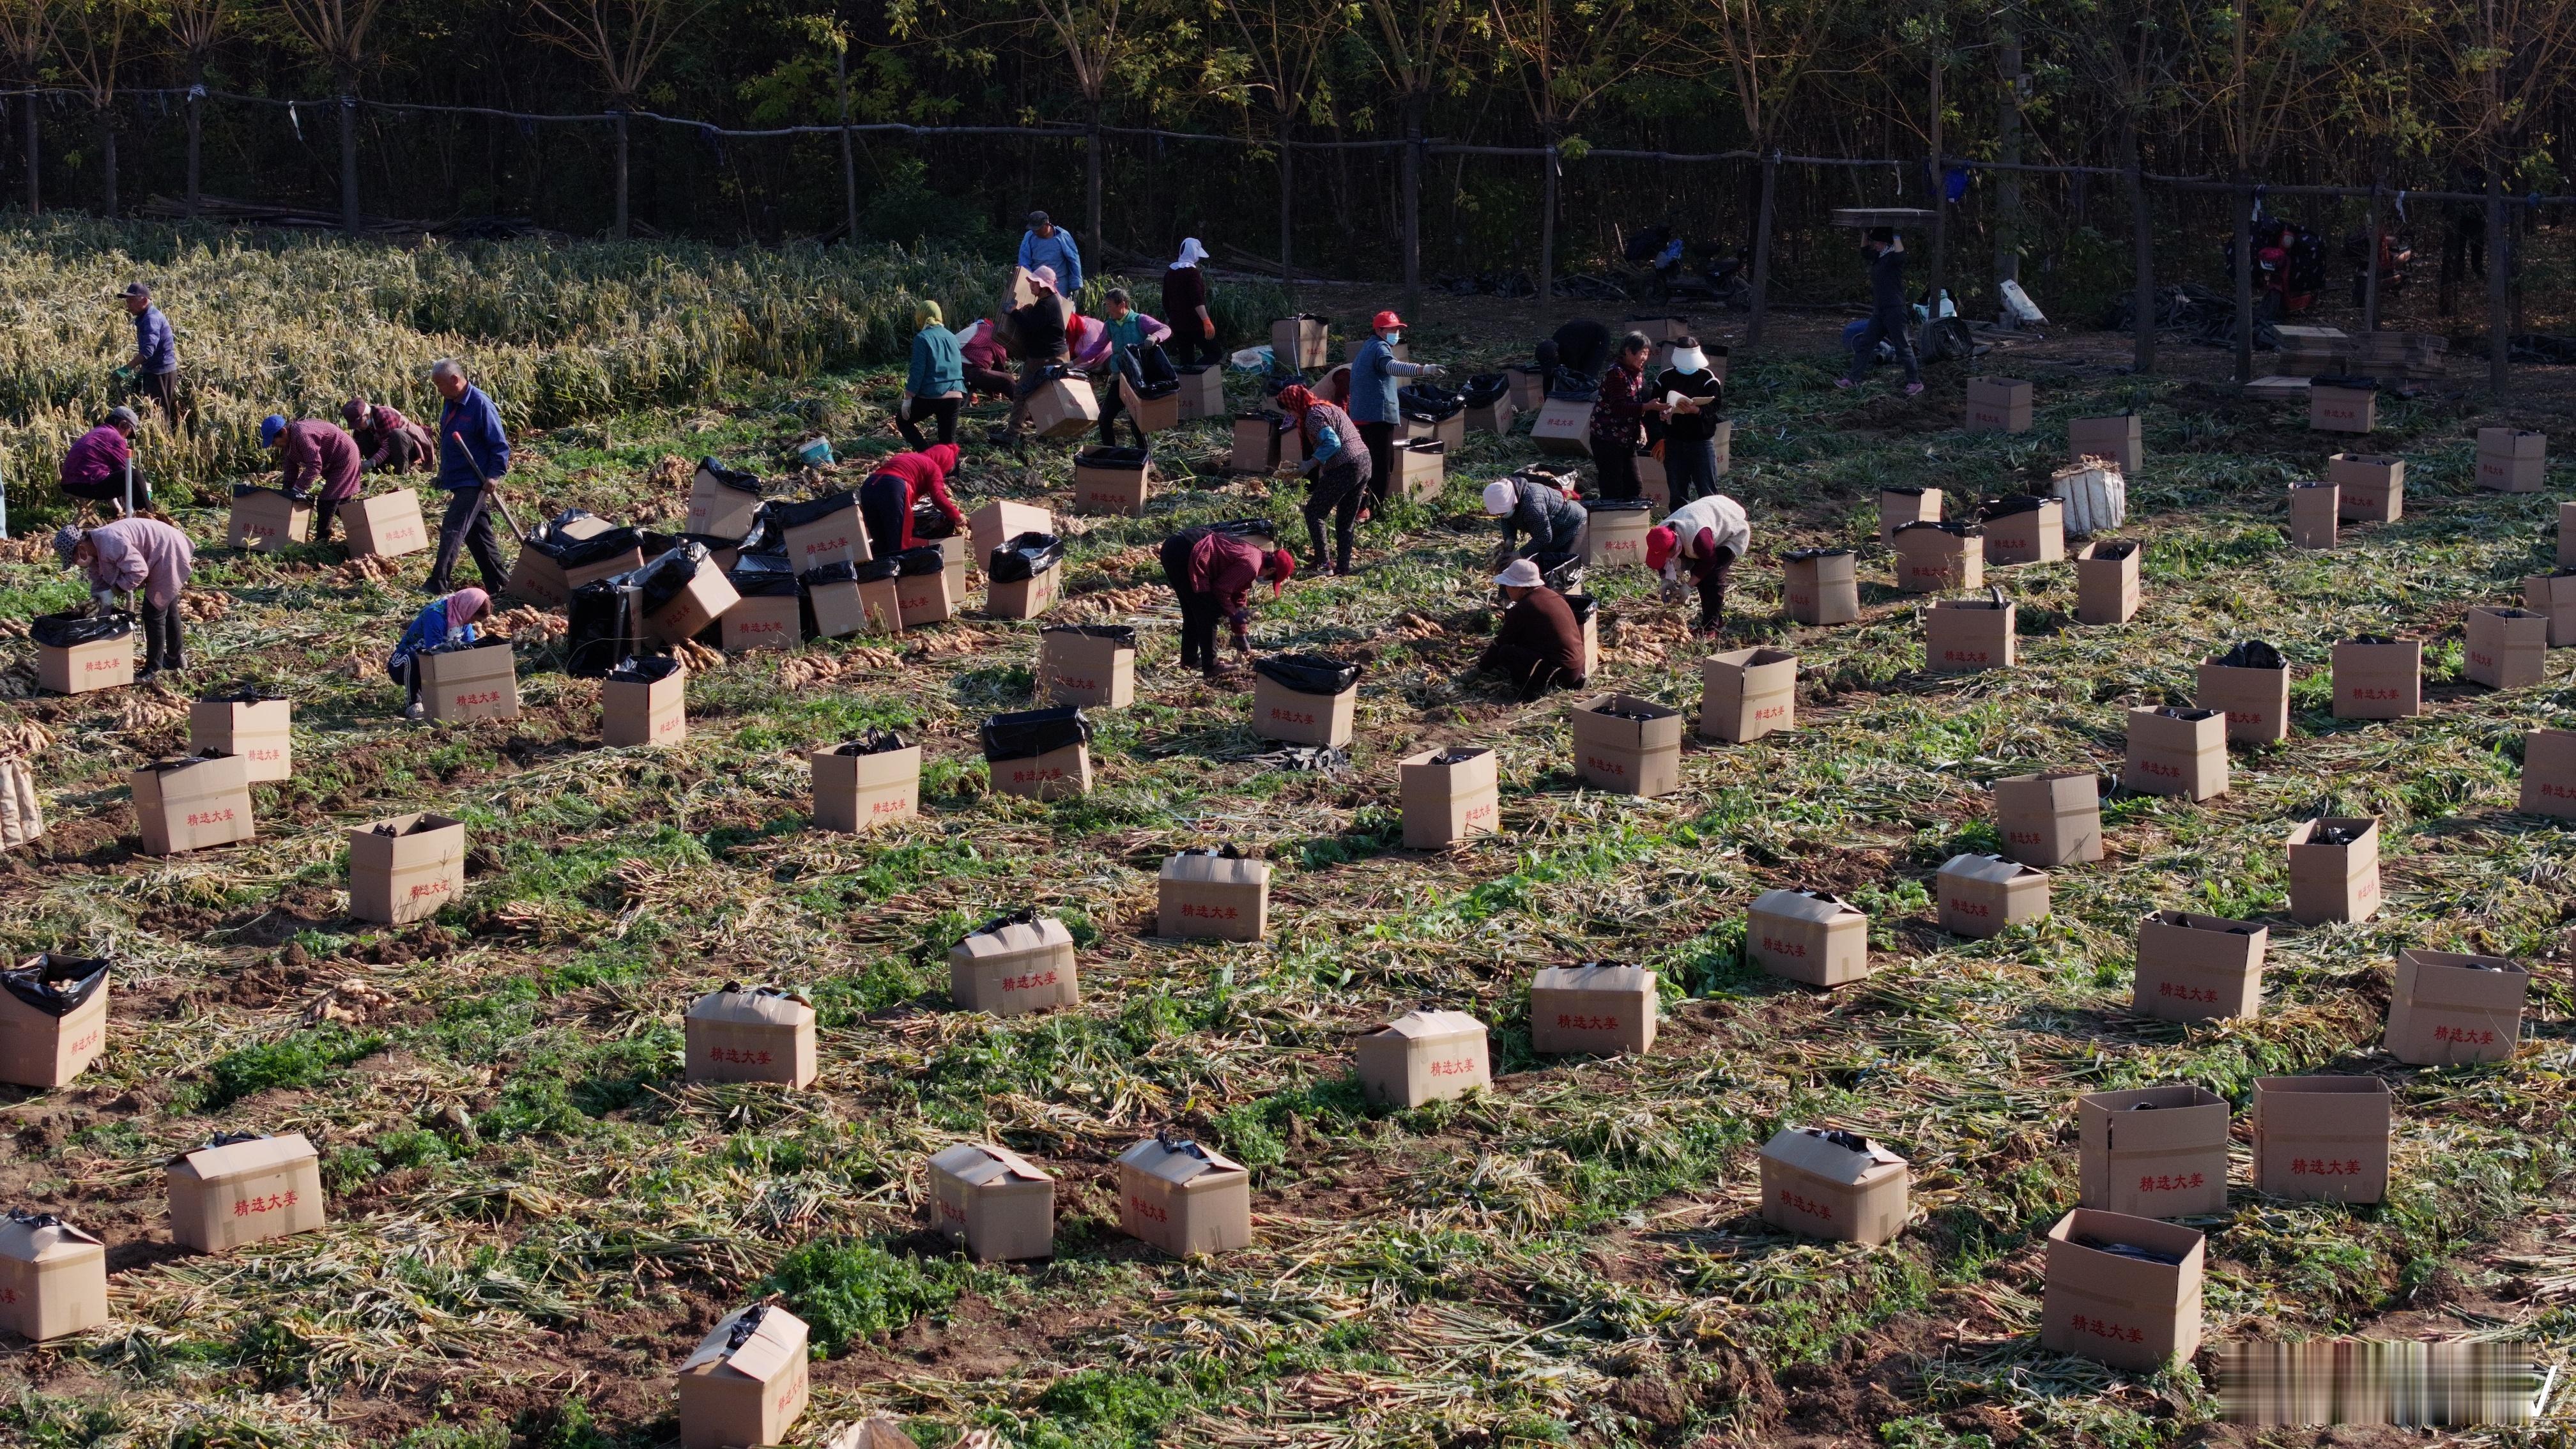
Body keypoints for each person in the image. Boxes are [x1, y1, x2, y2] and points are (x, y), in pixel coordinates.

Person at [55, 516, 195, 680]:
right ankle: (176, 659)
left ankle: (153, 670)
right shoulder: (95, 553)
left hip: (167, 550)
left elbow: (139, 571)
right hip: (159, 549)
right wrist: (98, 606)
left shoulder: (110, 542)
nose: (75, 563)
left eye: (73, 559)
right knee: (167, 606)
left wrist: (114, 591)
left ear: (81, 548)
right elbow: (100, 585)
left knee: (153, 614)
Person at [1158, 523, 1293, 680]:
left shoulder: (1255, 556)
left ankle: (1190, 659)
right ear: (1272, 571)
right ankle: (1212, 666)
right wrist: (1232, 613)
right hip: (1184, 551)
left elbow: (1239, 596)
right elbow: (1221, 590)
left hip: (1176, 546)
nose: (1266, 581)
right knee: (1209, 612)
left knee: (1193, 610)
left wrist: (1240, 634)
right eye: (1272, 580)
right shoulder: (1251, 564)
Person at [426, 359, 512, 595]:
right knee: (478, 535)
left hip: (474, 481)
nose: (438, 390)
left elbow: (500, 445)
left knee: (453, 528)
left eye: (440, 384)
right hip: (458, 478)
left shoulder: (480, 404)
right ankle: (500, 583)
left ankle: (437, 582)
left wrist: (495, 474)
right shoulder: (450, 402)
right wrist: (442, 473)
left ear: (455, 379)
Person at [1347, 310, 1445, 513]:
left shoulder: (1368, 347)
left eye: (1398, 329)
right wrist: (1422, 369)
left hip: (1363, 415)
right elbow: (1392, 367)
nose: (1396, 333)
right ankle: (1375, 510)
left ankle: (1361, 507)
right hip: (1377, 416)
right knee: (1383, 466)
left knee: (1370, 464)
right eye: (1392, 329)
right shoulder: (1380, 348)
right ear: (1380, 330)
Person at [1276, 383, 1369, 577]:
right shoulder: (1327, 407)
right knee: (1345, 520)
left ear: (1295, 404)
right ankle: (1343, 568)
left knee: (1314, 512)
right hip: (1364, 461)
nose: (1291, 415)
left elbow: (1333, 442)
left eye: (1290, 410)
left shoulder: (1312, 416)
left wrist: (1310, 464)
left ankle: (1324, 563)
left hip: (1346, 465)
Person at [1477, 557, 1587, 701]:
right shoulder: (1553, 596)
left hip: (1561, 672)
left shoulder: (1524, 607)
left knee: (1506, 653)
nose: (1506, 589)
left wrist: (1480, 669)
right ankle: (1573, 680)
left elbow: (1501, 642)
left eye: (1508, 585)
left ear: (1520, 587)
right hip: (1578, 666)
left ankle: (1533, 688)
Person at [1075, 288, 1172, 450]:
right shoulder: (1110, 325)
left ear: (1122, 304)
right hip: (1119, 377)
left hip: (1139, 378)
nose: (1107, 309)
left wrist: (1154, 337)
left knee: (1137, 422)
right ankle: (1111, 452)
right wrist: (1073, 363)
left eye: (1109, 305)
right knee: (1104, 418)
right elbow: (1096, 348)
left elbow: (1166, 329)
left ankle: (1146, 457)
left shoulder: (1139, 321)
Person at [1648, 491, 1751, 634]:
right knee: (1700, 578)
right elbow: (1662, 560)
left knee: (1713, 578)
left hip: (1730, 525)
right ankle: (1714, 621)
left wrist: (1688, 587)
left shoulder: (1699, 538)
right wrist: (1665, 581)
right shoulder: (1660, 534)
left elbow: (1710, 561)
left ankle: (1711, 628)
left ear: (1675, 546)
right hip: (1707, 515)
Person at [1836, 227, 1923, 395]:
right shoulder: (1879, 257)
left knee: (1902, 347)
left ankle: (1915, 383)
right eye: (1874, 242)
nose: (1874, 245)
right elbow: (1864, 251)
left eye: (1876, 242)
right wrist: (1865, 233)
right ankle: (1853, 380)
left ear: (1885, 244)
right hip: (1880, 311)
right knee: (1865, 344)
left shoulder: (1893, 258)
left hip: (1895, 310)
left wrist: (1897, 235)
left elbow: (1901, 255)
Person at [389, 587, 493, 720]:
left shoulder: (463, 618)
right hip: (402, 664)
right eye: (473, 618)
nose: (472, 622)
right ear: (469, 608)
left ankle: (431, 697)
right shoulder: (436, 615)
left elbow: (470, 648)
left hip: (430, 665)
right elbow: (434, 651)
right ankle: (413, 704)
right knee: (415, 657)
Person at [263, 413, 363, 546]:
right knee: (339, 504)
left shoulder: (302, 435)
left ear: (283, 432)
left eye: (273, 442)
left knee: (326, 502)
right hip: (332, 462)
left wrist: (298, 489)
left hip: (344, 458)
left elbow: (315, 465)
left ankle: (322, 542)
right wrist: (287, 490)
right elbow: (290, 467)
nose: (273, 445)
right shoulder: (288, 443)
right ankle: (365, 527)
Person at [857, 442, 967, 560]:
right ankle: (901, 575)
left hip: (868, 487)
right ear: (944, 461)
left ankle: (882, 575)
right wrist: (956, 515)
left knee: (880, 540)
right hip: (893, 489)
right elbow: (938, 497)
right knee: (898, 543)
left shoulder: (909, 456)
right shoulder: (933, 466)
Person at [1002, 267, 1074, 442]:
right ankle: (1052, 431)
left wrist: (1014, 312)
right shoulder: (1048, 302)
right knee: (1043, 393)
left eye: (1035, 283)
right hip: (1054, 354)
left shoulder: (1047, 305)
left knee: (1022, 391)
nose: (1032, 286)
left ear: (1043, 286)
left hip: (1046, 357)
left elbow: (1030, 326)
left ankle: (1012, 434)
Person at [1655, 336, 1726, 505]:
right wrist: (1662, 414)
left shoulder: (1708, 377)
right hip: (1674, 441)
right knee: (1677, 492)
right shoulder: (1664, 378)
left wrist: (1697, 410)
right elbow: (1654, 406)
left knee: (1707, 491)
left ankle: (1710, 526)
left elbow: (1715, 405)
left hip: (1701, 441)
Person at [1589, 331, 1657, 501]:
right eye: (1642, 353)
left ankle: (1630, 523)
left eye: (1647, 353)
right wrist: (1647, 407)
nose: (1644, 358)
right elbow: (1618, 407)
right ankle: (1609, 523)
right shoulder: (1616, 374)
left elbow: (1636, 401)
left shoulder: (1637, 374)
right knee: (1612, 486)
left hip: (1627, 438)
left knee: (1634, 485)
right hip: (1607, 437)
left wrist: (1641, 426)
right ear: (1628, 351)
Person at [899, 300, 966, 448]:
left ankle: (928, 456)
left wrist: (908, 398)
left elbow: (917, 371)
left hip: (932, 395)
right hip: (955, 395)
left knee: (903, 422)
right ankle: (953, 472)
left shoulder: (922, 338)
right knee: (948, 443)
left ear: (921, 317)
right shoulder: (952, 337)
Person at [1483, 473, 1588, 567]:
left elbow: (1544, 537)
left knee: (1558, 566)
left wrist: (1519, 555)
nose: (1498, 516)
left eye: (1500, 513)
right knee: (1540, 560)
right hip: (1549, 527)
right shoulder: (1511, 499)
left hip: (1571, 523)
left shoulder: (1532, 505)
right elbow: (1507, 518)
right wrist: (1510, 539)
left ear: (1512, 502)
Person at [57, 407, 141, 514]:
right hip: (86, 485)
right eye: (128, 433)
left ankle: (119, 511)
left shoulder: (97, 432)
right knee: (135, 476)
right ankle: (149, 519)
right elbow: (126, 474)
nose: (126, 437)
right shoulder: (115, 438)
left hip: (69, 485)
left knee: (119, 476)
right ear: (122, 425)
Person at [120, 282, 182, 425]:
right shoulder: (146, 316)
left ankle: (166, 445)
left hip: (160, 374)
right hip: (155, 371)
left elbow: (148, 351)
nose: (127, 306)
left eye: (130, 302)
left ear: (143, 301)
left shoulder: (151, 319)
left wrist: (125, 369)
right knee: (155, 413)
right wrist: (142, 371)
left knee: (159, 416)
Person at [1163, 237, 1220, 367]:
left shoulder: (1170, 273)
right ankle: (1197, 374)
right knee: (1214, 353)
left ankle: (1190, 383)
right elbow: (1197, 300)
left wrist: (1173, 317)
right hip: (1195, 324)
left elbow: (1165, 301)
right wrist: (1206, 320)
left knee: (1186, 360)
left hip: (1178, 325)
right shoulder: (1192, 273)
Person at [343, 396, 433, 473]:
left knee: (396, 435)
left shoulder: (384, 416)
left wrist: (371, 463)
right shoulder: (362, 427)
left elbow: (388, 446)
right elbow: (357, 448)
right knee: (363, 439)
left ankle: (401, 473)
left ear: (366, 415)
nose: (358, 426)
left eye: (359, 423)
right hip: (388, 450)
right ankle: (379, 473)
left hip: (407, 449)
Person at [1016, 211, 1083, 295]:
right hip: (1037, 284)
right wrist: (1028, 281)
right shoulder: (1029, 236)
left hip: (1059, 285)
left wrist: (1075, 284)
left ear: (1047, 225)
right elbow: (1024, 262)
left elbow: (1074, 260)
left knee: (1057, 307)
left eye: (1037, 229)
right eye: (1033, 230)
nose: (1035, 232)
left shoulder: (1062, 236)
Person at [954, 316, 1017, 400]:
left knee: (984, 374)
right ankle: (1023, 407)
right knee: (1008, 381)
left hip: (953, 368)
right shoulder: (992, 333)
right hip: (965, 371)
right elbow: (1000, 362)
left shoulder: (975, 329)